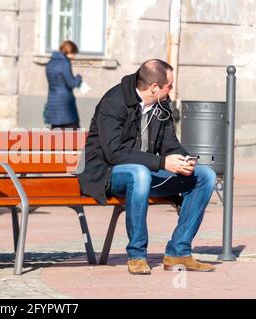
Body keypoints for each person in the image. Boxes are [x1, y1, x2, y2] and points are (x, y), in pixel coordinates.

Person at [77, 59, 217, 275]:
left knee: (205, 175)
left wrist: (183, 159)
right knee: (139, 173)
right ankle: (137, 254)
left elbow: (169, 143)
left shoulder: (162, 103)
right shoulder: (114, 101)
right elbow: (114, 153)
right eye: (169, 85)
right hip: (108, 174)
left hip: (146, 171)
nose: (171, 89)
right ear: (154, 87)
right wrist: (162, 163)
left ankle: (178, 251)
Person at [44, 40, 83, 129]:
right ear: (69, 51)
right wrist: (78, 78)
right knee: (74, 134)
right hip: (65, 103)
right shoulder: (65, 63)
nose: (74, 56)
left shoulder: (50, 63)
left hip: (52, 101)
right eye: (73, 53)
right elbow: (71, 83)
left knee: (56, 132)